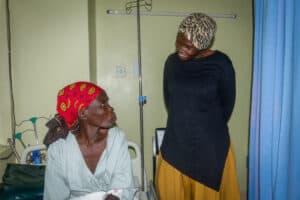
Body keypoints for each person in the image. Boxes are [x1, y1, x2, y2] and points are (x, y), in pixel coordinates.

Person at [155, 13, 241, 199]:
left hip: (211, 152)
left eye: (188, 46)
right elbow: (171, 101)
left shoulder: (221, 64)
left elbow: (227, 106)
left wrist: (203, 126)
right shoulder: (171, 63)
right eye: (179, 42)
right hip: (175, 147)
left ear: (204, 45)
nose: (180, 49)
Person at [43, 81, 134, 200]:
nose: (111, 108)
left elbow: (122, 185)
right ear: (83, 114)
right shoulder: (59, 149)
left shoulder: (116, 138)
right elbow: (55, 195)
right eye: (103, 105)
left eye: (108, 103)